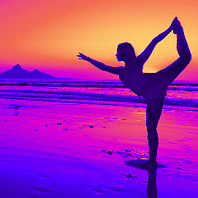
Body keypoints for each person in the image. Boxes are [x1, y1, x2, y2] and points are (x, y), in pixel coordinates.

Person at [78, 17, 191, 167]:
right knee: (151, 127)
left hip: (155, 86)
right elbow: (103, 67)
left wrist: (170, 30)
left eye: (117, 52)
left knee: (185, 58)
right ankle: (152, 161)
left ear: (124, 53)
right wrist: (88, 59)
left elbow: (154, 42)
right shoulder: (120, 71)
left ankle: (178, 30)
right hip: (154, 90)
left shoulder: (137, 62)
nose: (115, 54)